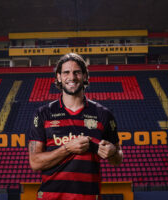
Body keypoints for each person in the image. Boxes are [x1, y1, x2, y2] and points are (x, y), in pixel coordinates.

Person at [28, 53, 123, 200]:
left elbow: (117, 159)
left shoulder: (103, 114)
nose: (71, 77)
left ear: (85, 76)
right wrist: (67, 148)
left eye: (77, 72)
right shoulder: (43, 114)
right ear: (59, 77)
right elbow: (35, 162)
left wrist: (112, 152)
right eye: (66, 72)